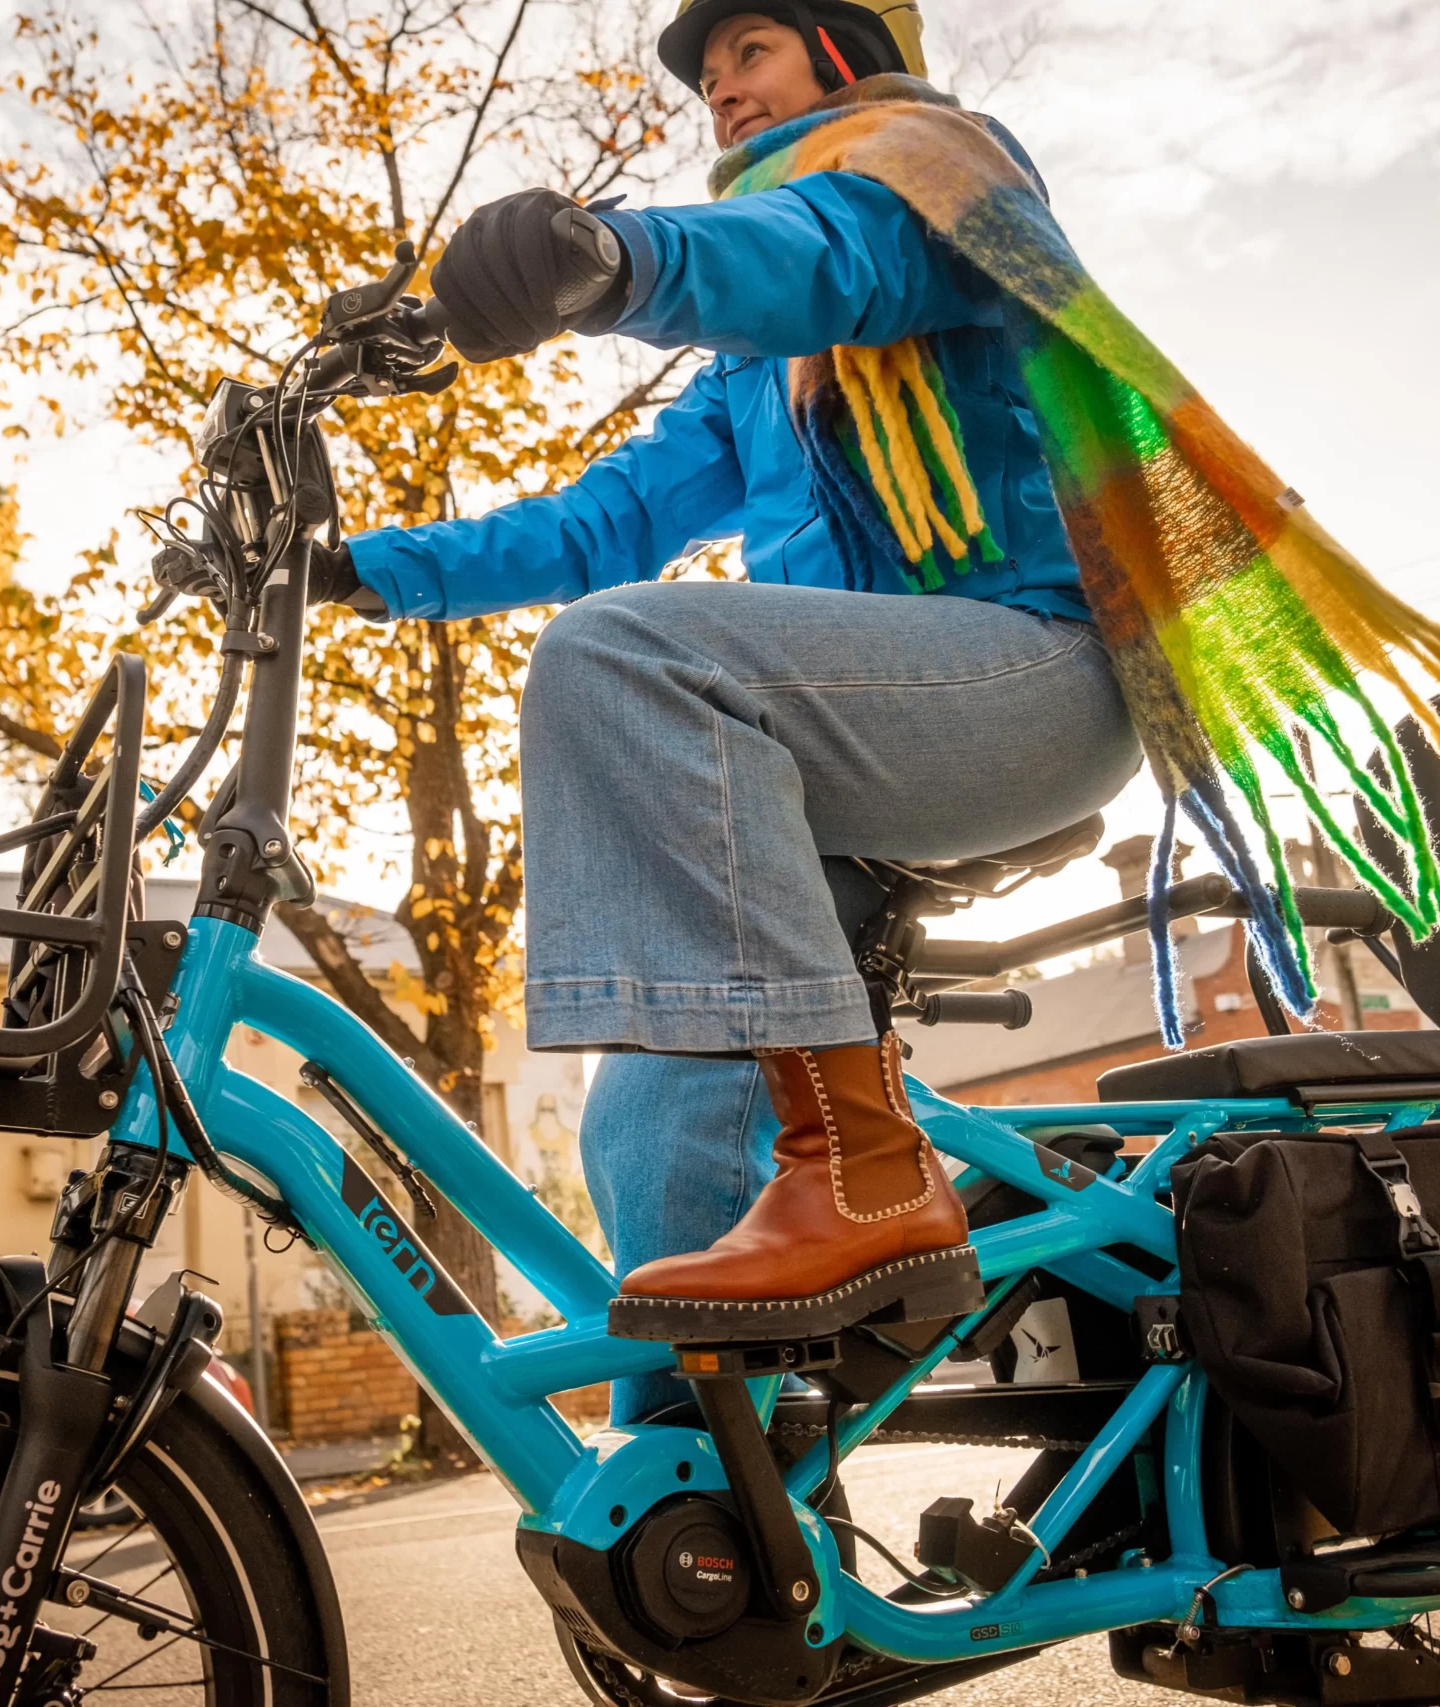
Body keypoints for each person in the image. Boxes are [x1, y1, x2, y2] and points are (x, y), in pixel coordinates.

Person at [317, 1, 1141, 1422]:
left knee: (622, 656)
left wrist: (613, 255)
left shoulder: (935, 180)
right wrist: (358, 571)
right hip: (832, 749)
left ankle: (870, 1164)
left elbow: (815, 259)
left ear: (839, 53)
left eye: (745, 56)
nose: (722, 97)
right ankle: (709, 1494)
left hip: (1036, 679)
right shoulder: (757, 375)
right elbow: (604, 518)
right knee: (654, 1091)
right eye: (707, 81)